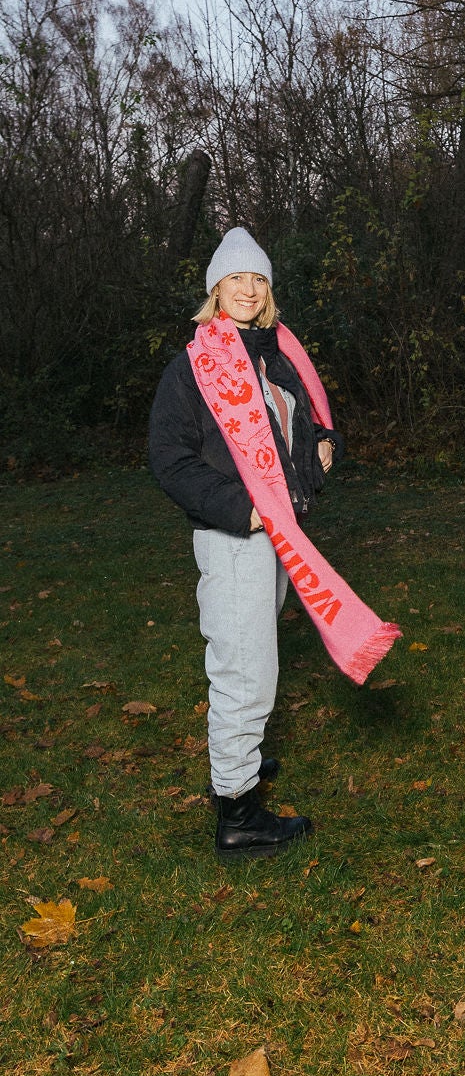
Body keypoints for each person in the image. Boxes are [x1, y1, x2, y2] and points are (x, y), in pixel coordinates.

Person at [149, 228, 355, 858]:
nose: (247, 288)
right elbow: (169, 458)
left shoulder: (278, 357)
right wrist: (246, 512)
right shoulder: (193, 367)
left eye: (257, 279)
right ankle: (237, 812)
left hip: (278, 537)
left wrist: (326, 450)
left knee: (254, 653)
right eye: (235, 278)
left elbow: (307, 432)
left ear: (268, 292)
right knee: (245, 669)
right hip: (234, 537)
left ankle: (241, 761)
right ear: (216, 289)